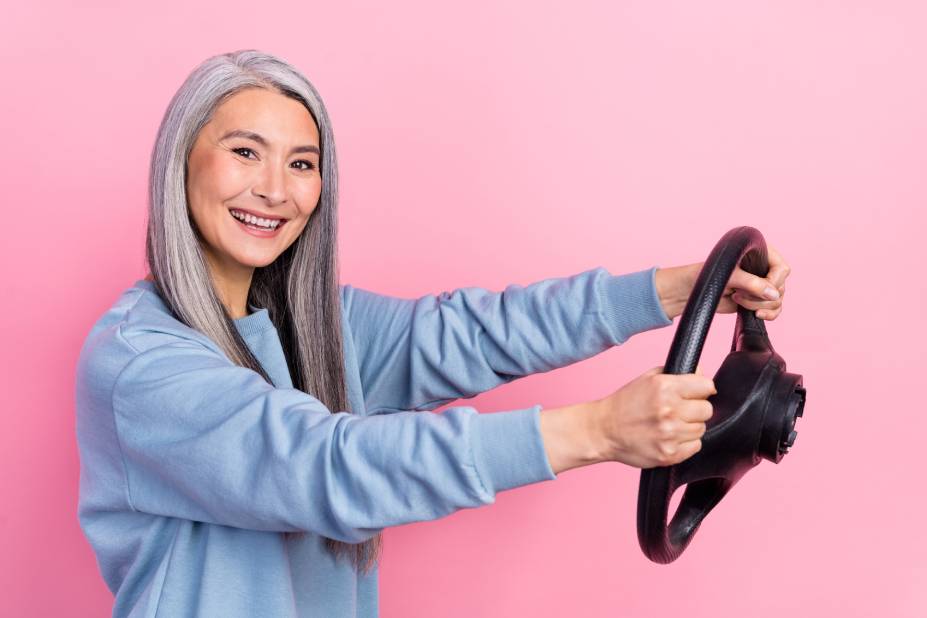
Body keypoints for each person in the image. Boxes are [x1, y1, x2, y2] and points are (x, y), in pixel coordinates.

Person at [74, 49, 790, 618]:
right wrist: (596, 431)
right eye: (244, 152)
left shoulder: (320, 327)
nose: (275, 190)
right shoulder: (139, 365)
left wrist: (676, 289)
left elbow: (474, 334)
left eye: (302, 164)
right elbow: (325, 467)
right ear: (181, 164)